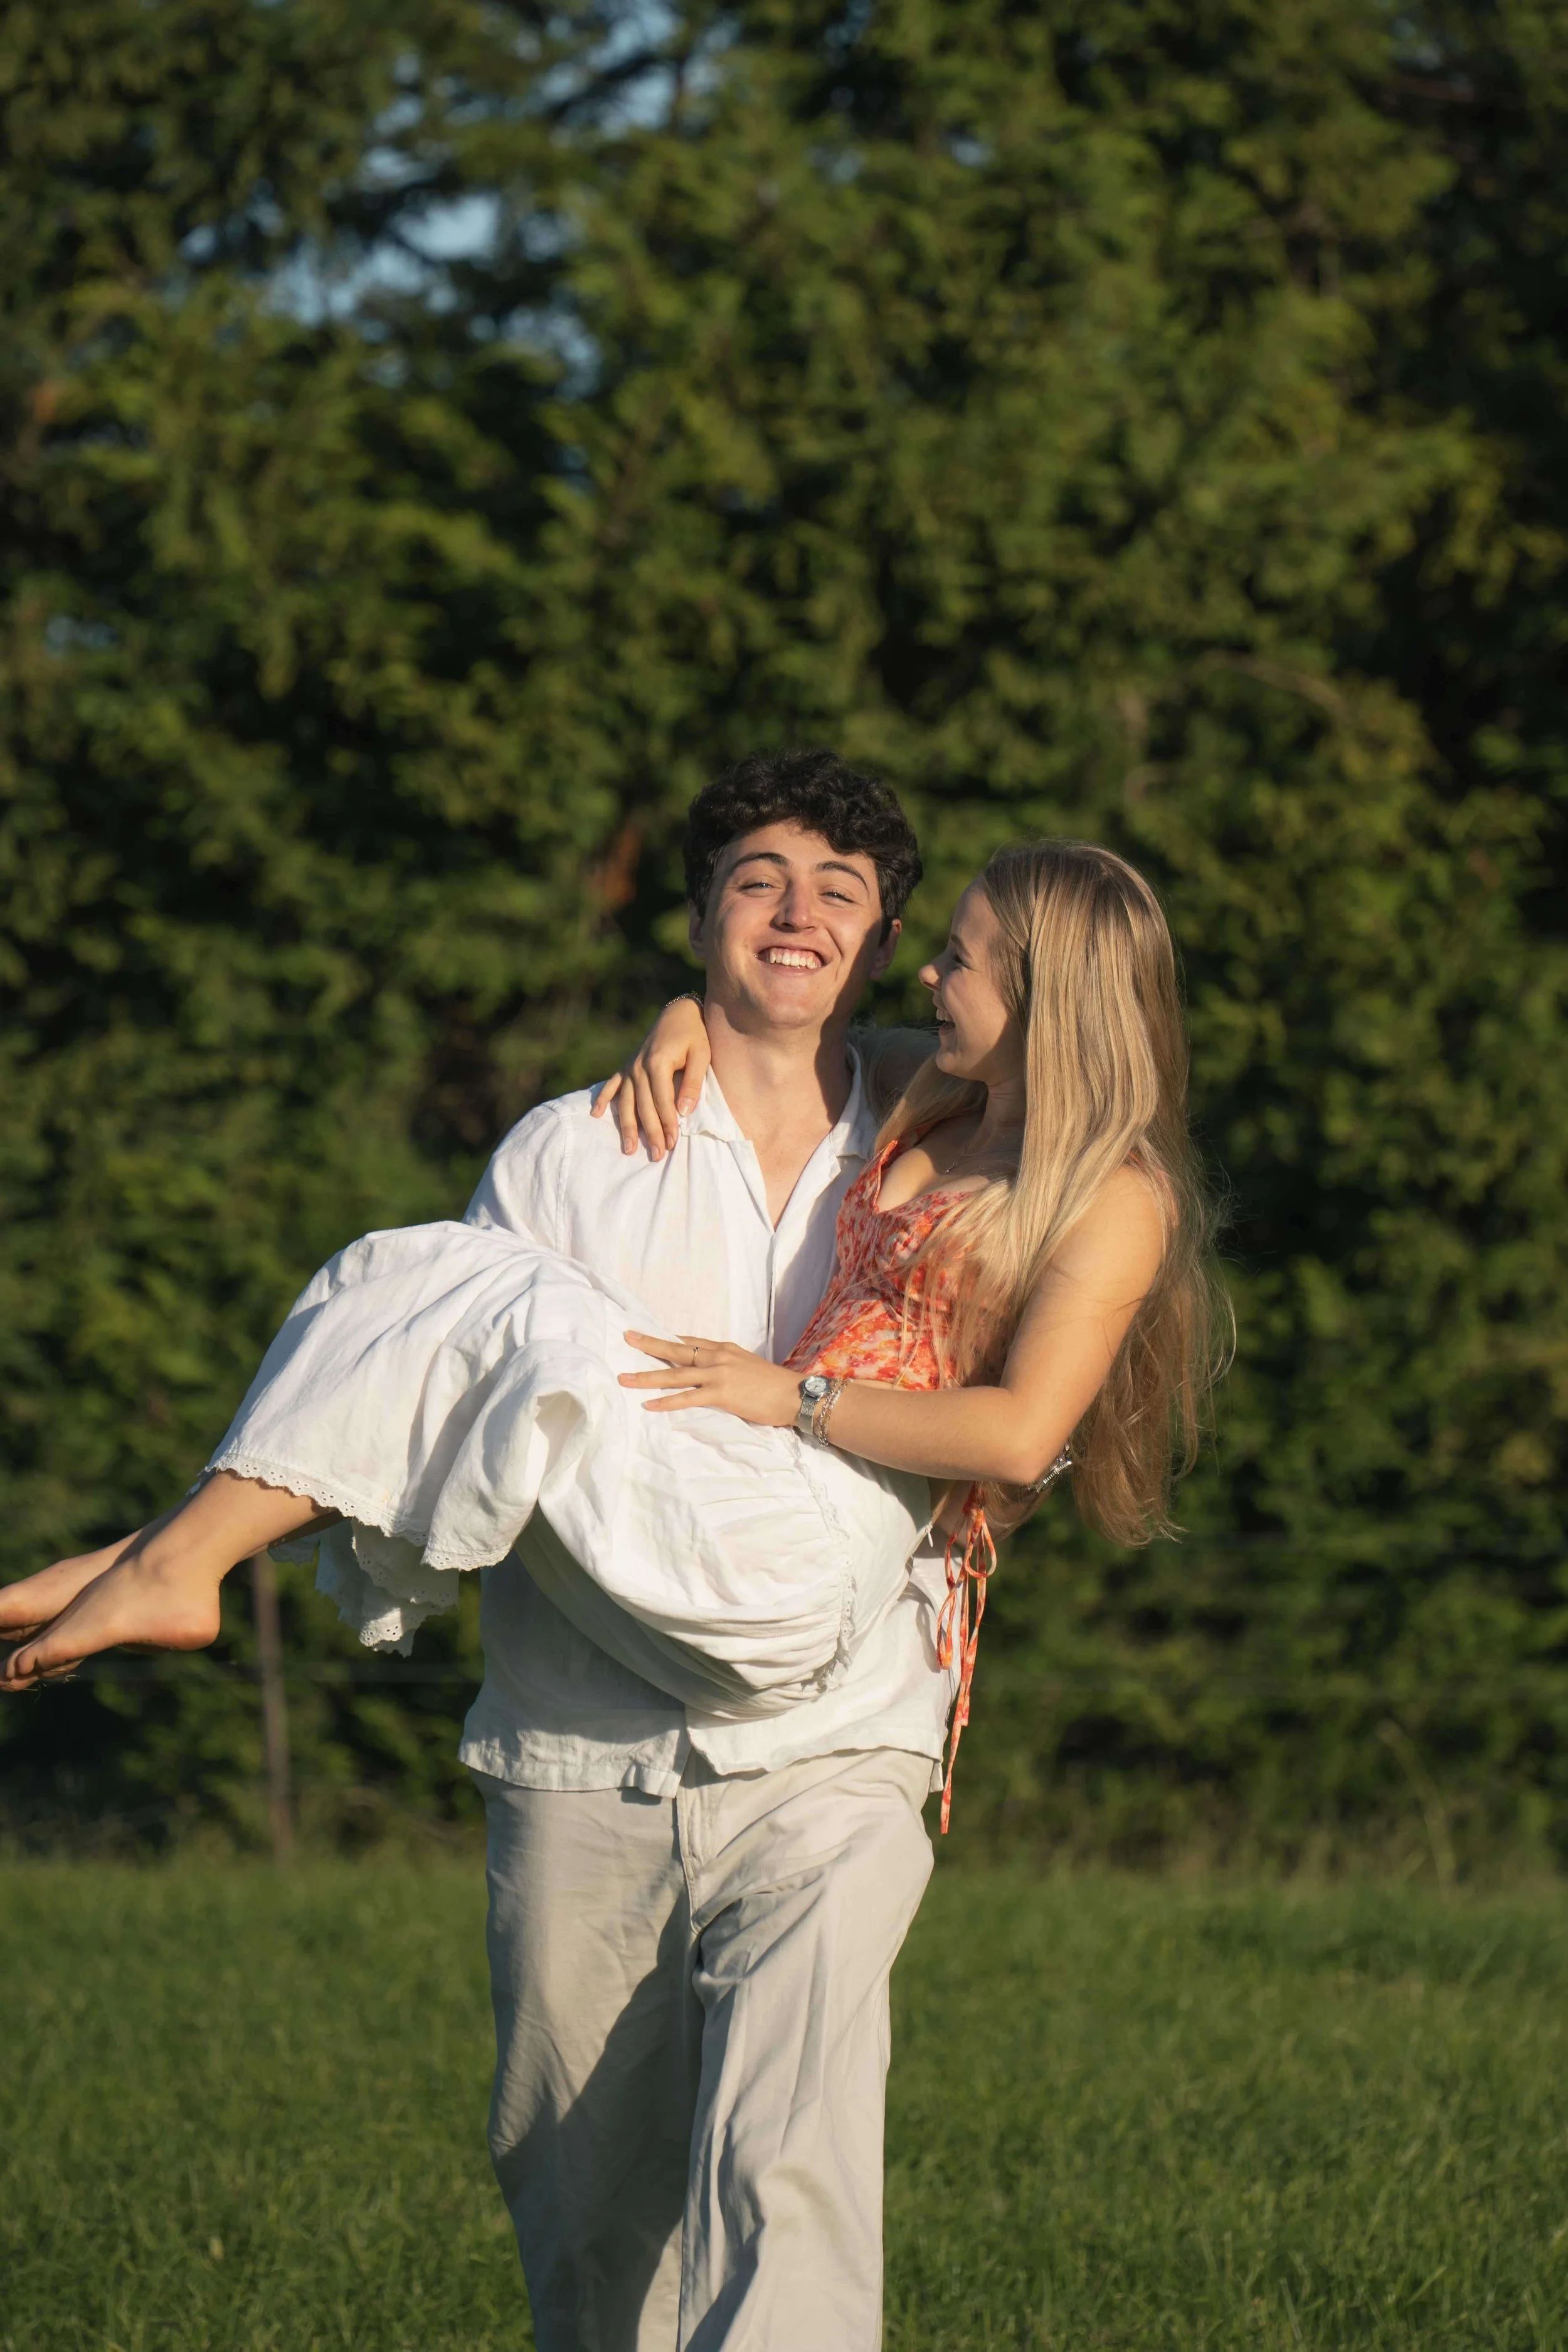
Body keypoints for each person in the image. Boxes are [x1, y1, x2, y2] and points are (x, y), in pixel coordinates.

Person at [0, 752, 1224, 2351]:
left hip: (828, 1679)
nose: (825, 931)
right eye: (754, 885)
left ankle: (175, 1555)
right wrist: (683, 1029)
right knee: (584, 2223)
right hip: (592, 1735)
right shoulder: (652, 1134)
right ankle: (171, 1550)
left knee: (789, 2172)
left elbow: (1011, 1423)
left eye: (873, 913)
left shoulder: (1027, 1152)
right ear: (699, 914)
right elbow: (459, 1430)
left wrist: (787, 1389)